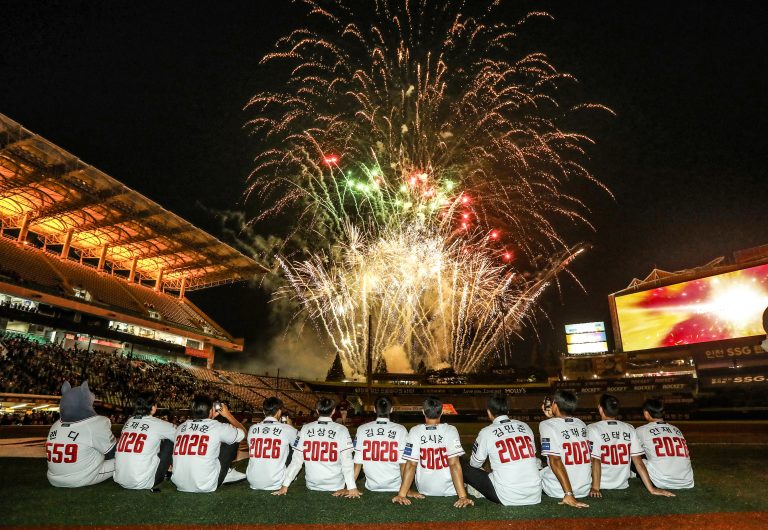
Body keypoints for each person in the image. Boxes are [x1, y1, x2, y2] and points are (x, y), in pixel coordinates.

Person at [587, 394, 674, 498]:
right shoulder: (629, 428)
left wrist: (595, 488)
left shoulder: (592, 428)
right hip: (621, 483)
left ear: (600, 409)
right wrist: (651, 489)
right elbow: (638, 462)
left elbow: (595, 460)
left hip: (600, 483)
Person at [393, 396, 473, 508]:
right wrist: (463, 497)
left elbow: (411, 464)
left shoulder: (415, 431)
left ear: (423, 412)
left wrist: (402, 494)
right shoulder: (451, 430)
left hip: (424, 488)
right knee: (460, 460)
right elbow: (454, 464)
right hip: (450, 489)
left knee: (412, 459)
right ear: (442, 412)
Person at [462, 394, 541, 505]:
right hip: (534, 493)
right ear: (507, 410)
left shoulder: (486, 432)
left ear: (489, 412)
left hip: (507, 496)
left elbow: (475, 464)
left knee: (463, 465)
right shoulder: (525, 426)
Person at [275, 397, 360, 498]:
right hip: (336, 484)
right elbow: (346, 461)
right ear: (333, 411)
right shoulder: (342, 429)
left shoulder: (305, 428)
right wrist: (351, 487)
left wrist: (285, 485)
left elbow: (296, 461)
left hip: (312, 484)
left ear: (317, 411)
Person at [46, 381, 117, 487]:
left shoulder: (55, 425)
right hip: (81, 477)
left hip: (53, 478)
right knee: (126, 458)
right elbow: (113, 453)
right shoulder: (95, 423)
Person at [171, 396, 247, 493]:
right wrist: (228, 415)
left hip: (180, 484)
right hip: (206, 484)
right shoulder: (217, 427)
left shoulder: (180, 427)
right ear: (211, 410)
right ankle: (226, 472)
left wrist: (210, 417)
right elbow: (244, 434)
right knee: (232, 438)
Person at [353, 396, 417, 495]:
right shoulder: (401, 429)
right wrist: (406, 490)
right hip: (397, 485)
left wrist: (350, 487)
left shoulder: (362, 429)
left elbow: (357, 462)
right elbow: (403, 463)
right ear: (391, 410)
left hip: (372, 485)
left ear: (374, 410)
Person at [114, 391, 176, 491]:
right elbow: (180, 435)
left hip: (120, 479)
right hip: (144, 481)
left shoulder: (129, 421)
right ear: (153, 407)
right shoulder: (157, 423)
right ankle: (176, 471)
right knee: (170, 441)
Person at [539, 390, 591, 508]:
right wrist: (553, 416)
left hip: (559, 490)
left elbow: (555, 460)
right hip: (584, 489)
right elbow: (563, 424)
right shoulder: (581, 424)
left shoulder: (546, 425)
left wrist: (568, 494)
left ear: (555, 405)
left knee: (534, 469)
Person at [635, 398, 694, 489]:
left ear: (646, 413)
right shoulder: (676, 429)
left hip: (662, 481)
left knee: (633, 454)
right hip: (687, 480)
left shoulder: (641, 430)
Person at [246, 397, 298, 491]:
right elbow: (299, 444)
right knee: (294, 447)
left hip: (252, 480)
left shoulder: (252, 428)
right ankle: (290, 476)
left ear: (263, 411)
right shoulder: (287, 429)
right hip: (276, 481)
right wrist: (290, 426)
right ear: (279, 412)